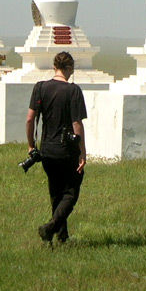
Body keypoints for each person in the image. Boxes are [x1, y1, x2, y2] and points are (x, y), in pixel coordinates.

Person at [26, 51, 87, 244]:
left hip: (47, 149)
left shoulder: (40, 87)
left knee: (55, 192)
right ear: (69, 68)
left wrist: (30, 145)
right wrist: (82, 151)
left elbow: (30, 118)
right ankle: (50, 228)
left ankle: (61, 236)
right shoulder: (73, 91)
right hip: (67, 150)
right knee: (70, 192)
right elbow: (77, 124)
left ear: (54, 67)